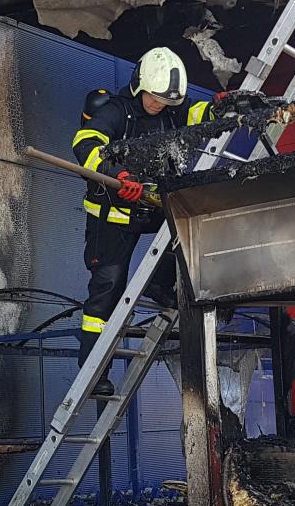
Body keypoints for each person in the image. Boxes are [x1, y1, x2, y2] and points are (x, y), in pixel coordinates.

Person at [71, 46, 215, 395]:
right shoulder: (116, 111)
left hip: (150, 206)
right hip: (113, 216)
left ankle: (161, 285)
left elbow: (196, 114)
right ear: (139, 86)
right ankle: (94, 373)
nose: (158, 106)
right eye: (153, 98)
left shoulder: (169, 112)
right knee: (106, 291)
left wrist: (220, 107)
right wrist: (116, 172)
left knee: (180, 239)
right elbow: (85, 143)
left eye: (165, 101)